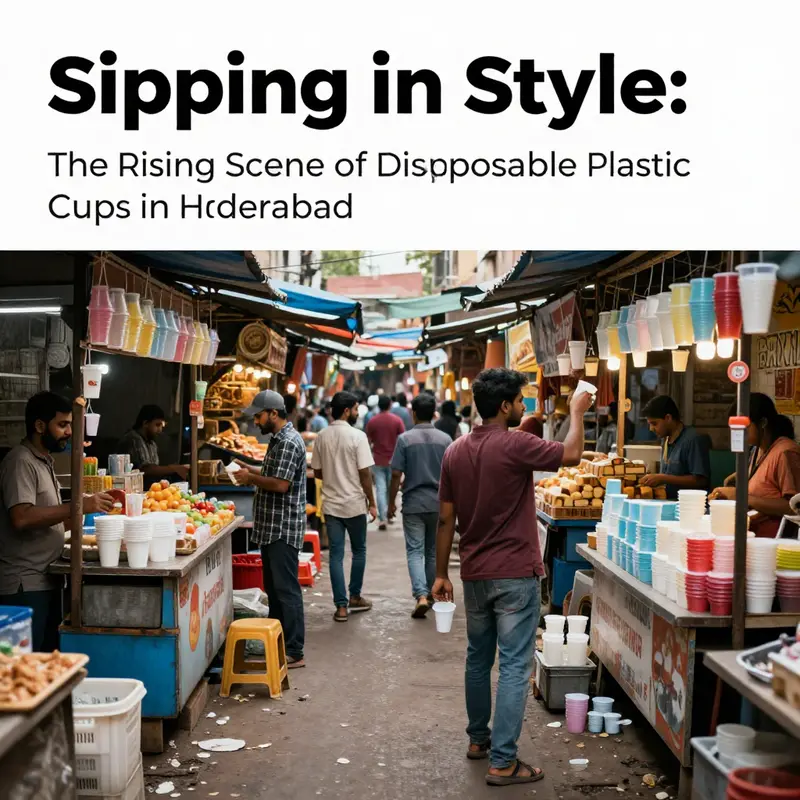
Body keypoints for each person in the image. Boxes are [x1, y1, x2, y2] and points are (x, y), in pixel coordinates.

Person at [432, 369, 592, 786]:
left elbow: (445, 518)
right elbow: (573, 454)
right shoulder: (516, 443)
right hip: (515, 573)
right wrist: (576, 411)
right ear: (504, 406)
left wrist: (439, 574)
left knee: (478, 659)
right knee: (516, 666)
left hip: (475, 572)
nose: (525, 406)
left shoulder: (455, 451)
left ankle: (478, 741)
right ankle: (503, 761)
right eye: (521, 401)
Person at [0, 392, 114, 650]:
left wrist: (94, 519)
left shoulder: (44, 462)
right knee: (28, 663)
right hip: (24, 583)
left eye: (70, 425)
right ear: (40, 426)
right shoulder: (20, 462)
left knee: (47, 656)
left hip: (47, 577)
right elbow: (21, 517)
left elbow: (52, 521)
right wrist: (77, 506)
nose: (69, 432)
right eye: (62, 425)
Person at [235, 391, 307, 668]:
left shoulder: (288, 442)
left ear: (273, 414)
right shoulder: (279, 440)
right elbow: (273, 471)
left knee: (286, 590)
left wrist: (250, 477)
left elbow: (280, 484)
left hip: (282, 527)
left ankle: (294, 650)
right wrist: (249, 467)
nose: (255, 421)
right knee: (276, 590)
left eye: (259, 415)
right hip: (272, 527)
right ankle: (279, 643)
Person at [312, 391, 377, 622]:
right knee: (359, 551)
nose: (358, 413)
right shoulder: (357, 436)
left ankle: (341, 607)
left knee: (336, 556)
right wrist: (372, 503)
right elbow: (365, 474)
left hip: (331, 506)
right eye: (356, 409)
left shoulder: (321, 436)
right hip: (354, 505)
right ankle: (355, 596)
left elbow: (317, 471)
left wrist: (333, 475)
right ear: (347, 410)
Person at [388, 393, 452, 618]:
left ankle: (421, 596)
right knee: (432, 551)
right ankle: (433, 593)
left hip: (413, 503)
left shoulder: (405, 439)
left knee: (415, 551)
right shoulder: (445, 440)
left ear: (413, 413)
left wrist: (390, 503)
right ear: (433, 413)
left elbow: (396, 473)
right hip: (439, 503)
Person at [710, 393, 800, 537]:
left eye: (743, 427)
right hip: (752, 534)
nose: (739, 433)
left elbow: (794, 508)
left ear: (763, 423)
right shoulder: (756, 449)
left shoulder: (786, 452)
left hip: (774, 543)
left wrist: (741, 497)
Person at [639, 395, 710, 499]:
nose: (651, 429)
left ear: (668, 418)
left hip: (690, 505)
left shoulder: (693, 439)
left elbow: (700, 480)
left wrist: (663, 478)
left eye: (654, 423)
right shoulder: (666, 439)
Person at [116, 405, 188, 483]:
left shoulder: (152, 443)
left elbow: (155, 467)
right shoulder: (132, 439)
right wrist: (175, 469)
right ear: (145, 423)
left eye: (162, 426)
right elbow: (146, 470)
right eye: (157, 425)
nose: (160, 430)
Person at [366, 395, 405, 531]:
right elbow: (403, 440)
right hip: (394, 460)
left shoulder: (372, 421)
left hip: (378, 460)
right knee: (391, 488)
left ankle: (382, 518)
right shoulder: (397, 421)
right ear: (389, 405)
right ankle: (390, 514)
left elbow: (368, 441)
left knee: (380, 489)